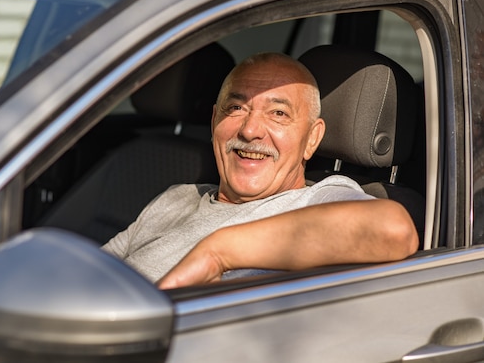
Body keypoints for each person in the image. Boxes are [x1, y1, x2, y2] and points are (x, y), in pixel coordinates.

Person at [102, 52, 419, 289]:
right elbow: (93, 276)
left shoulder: (318, 201)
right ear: (214, 123)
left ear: (312, 139)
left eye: (278, 113)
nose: (251, 129)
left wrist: (218, 252)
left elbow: (394, 231)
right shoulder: (177, 198)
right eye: (236, 108)